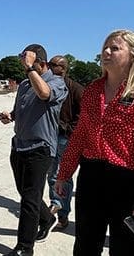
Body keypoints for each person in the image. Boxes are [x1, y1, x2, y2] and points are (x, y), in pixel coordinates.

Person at [55, 30, 134, 255]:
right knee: (85, 245)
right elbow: (79, 136)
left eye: (115, 48)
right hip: (92, 178)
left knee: (126, 248)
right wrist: (64, 172)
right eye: (105, 47)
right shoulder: (93, 90)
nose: (106, 52)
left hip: (129, 181)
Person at [0, 44, 68, 256]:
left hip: (40, 149)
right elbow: (21, 109)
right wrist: (10, 115)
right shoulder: (25, 84)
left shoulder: (57, 82)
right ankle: (48, 219)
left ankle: (24, 248)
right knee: (28, 193)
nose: (25, 68)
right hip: (19, 145)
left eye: (30, 64)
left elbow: (45, 94)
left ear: (42, 64)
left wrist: (30, 69)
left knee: (28, 199)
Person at [45, 55, 84, 230]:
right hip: (49, 136)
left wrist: (69, 129)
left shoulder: (75, 89)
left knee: (62, 176)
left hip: (66, 138)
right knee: (52, 175)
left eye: (53, 65)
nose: (49, 67)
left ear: (63, 68)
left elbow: (84, 115)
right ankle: (57, 207)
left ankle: (60, 210)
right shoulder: (48, 86)